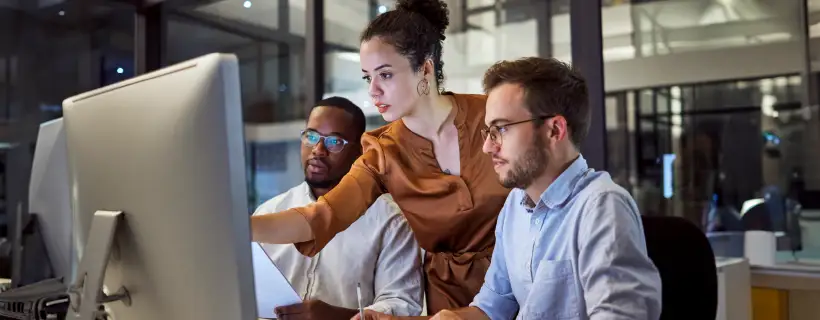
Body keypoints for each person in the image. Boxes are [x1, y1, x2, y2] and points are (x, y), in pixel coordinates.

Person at [250, 0, 510, 315]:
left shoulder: (492, 115)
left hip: (521, 279)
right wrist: (241, 227)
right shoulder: (382, 152)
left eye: (385, 75)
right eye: (367, 77)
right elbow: (321, 217)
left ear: (425, 68)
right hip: (449, 303)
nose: (373, 91)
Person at [428, 58, 663, 320]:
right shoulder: (515, 205)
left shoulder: (602, 208)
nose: (488, 147)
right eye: (488, 132)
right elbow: (493, 306)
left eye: (501, 129)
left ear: (554, 130)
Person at [254, 97, 423, 319]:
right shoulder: (268, 213)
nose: (318, 149)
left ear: (360, 151)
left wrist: (337, 316)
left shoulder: (391, 220)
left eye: (334, 142)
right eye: (311, 137)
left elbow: (403, 305)